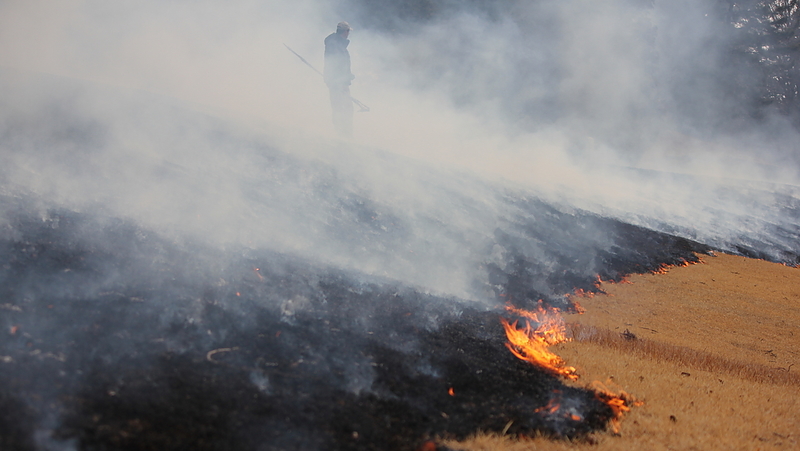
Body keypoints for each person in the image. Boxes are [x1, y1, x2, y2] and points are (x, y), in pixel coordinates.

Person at [324, 21, 355, 137]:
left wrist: (348, 75)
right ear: (344, 32)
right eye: (348, 31)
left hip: (339, 81)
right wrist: (344, 76)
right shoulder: (335, 45)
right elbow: (337, 64)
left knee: (342, 107)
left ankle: (344, 132)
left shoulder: (336, 44)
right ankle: (344, 133)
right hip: (338, 82)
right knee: (343, 107)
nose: (348, 34)